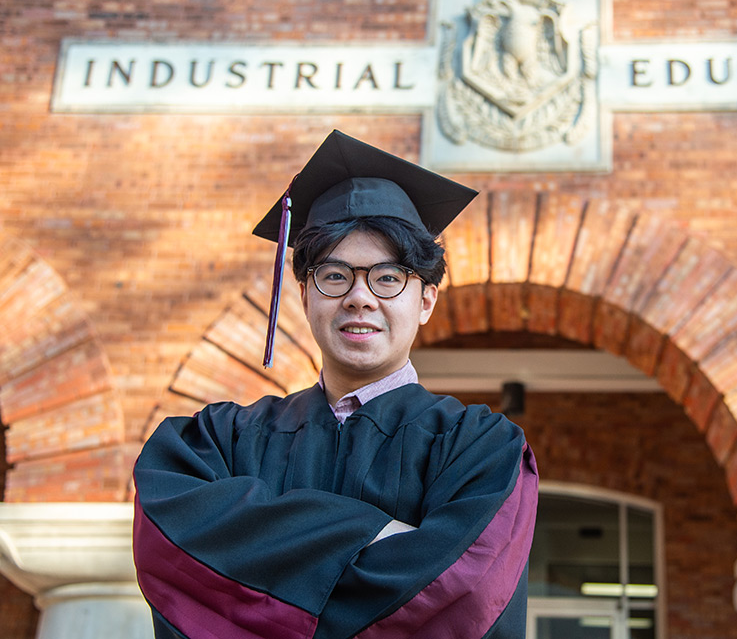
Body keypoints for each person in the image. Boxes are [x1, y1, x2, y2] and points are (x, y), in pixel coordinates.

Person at [131, 129, 538, 639]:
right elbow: (170, 553)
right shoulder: (218, 441)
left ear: (427, 301)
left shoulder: (480, 447)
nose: (360, 297)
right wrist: (376, 536)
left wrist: (263, 556)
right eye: (334, 275)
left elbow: (465, 594)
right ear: (304, 294)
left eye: (388, 277)